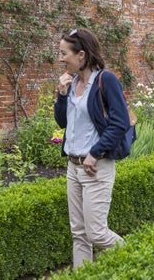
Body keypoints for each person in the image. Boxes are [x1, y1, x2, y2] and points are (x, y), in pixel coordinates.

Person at [54, 28, 130, 268]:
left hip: (95, 168)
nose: (60, 58)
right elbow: (62, 122)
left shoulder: (105, 80)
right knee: (79, 232)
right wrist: (62, 94)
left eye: (64, 53)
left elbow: (120, 122)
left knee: (96, 233)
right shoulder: (73, 81)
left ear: (82, 55)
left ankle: (137, 255)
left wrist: (95, 153)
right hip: (73, 167)